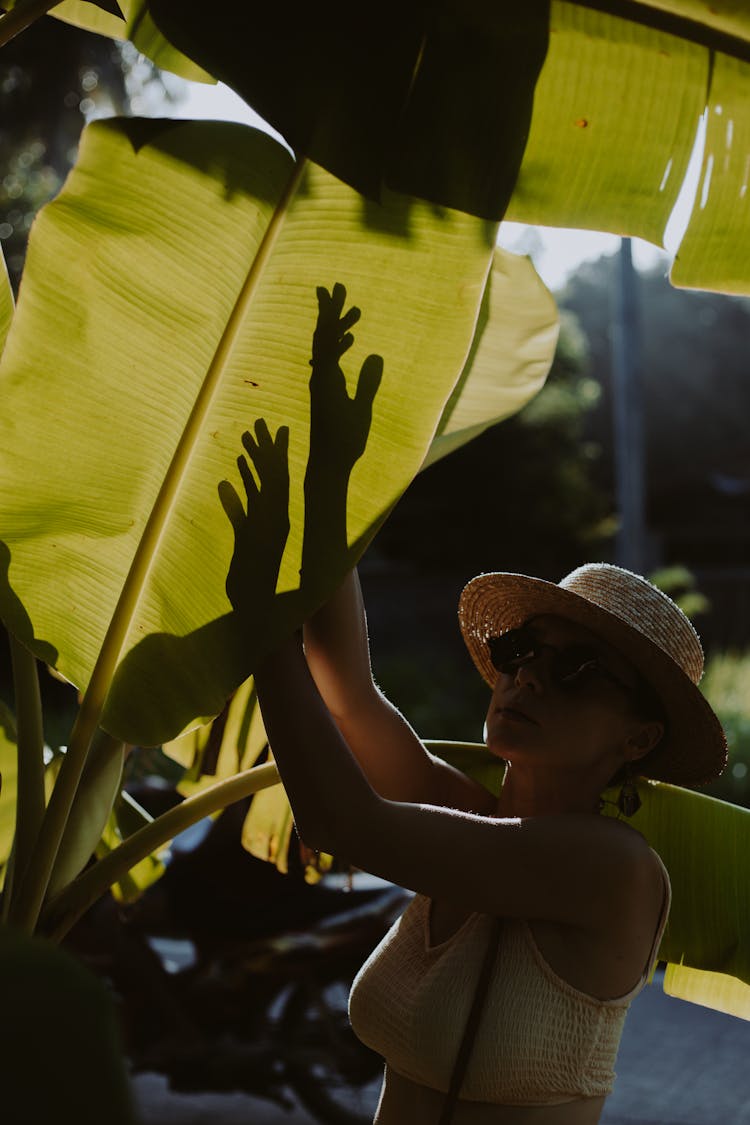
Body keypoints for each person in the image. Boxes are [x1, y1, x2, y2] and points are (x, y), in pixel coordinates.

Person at [253, 559, 727, 1124]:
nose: (528, 677)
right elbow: (349, 698)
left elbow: (341, 823)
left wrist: (261, 632)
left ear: (639, 738)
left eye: (580, 668)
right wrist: (330, 505)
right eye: (522, 650)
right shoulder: (469, 820)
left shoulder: (612, 867)